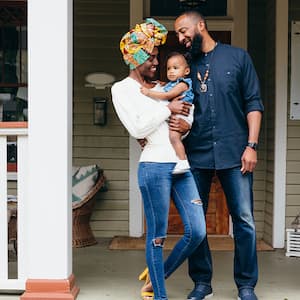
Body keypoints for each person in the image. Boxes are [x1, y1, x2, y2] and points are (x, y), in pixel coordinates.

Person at [111, 18, 206, 300]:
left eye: (156, 57)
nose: (156, 62)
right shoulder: (122, 90)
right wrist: (168, 110)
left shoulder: (165, 85)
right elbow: (137, 128)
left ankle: (157, 275)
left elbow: (182, 116)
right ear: (135, 57)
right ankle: (160, 296)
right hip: (153, 166)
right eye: (151, 57)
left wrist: (186, 124)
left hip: (181, 164)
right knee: (157, 236)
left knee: (197, 231)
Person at [171, 11, 264, 300]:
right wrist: (180, 119)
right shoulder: (187, 66)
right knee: (196, 223)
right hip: (196, 154)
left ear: (201, 25)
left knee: (245, 221)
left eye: (184, 31)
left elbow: (254, 103)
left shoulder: (238, 58)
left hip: (235, 153)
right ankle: (202, 284)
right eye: (177, 34)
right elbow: (181, 106)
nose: (181, 38)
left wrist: (252, 145)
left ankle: (246, 286)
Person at [140, 51, 194, 174]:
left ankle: (182, 161)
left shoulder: (183, 84)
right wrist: (162, 84)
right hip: (177, 112)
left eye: (175, 68)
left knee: (174, 137)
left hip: (184, 112)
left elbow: (168, 95)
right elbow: (168, 89)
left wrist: (148, 92)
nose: (171, 71)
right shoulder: (172, 84)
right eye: (168, 68)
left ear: (186, 71)